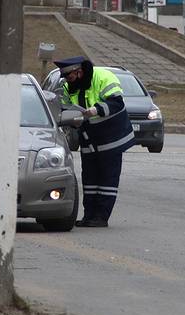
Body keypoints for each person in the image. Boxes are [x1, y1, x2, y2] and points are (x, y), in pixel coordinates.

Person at [54, 56, 135, 228]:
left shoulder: (103, 77)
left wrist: (95, 110)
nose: (68, 81)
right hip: (89, 140)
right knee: (89, 179)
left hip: (111, 138)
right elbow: (66, 107)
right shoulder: (70, 86)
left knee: (107, 180)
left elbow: (116, 103)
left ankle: (101, 217)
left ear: (79, 71)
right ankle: (89, 215)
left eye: (69, 76)